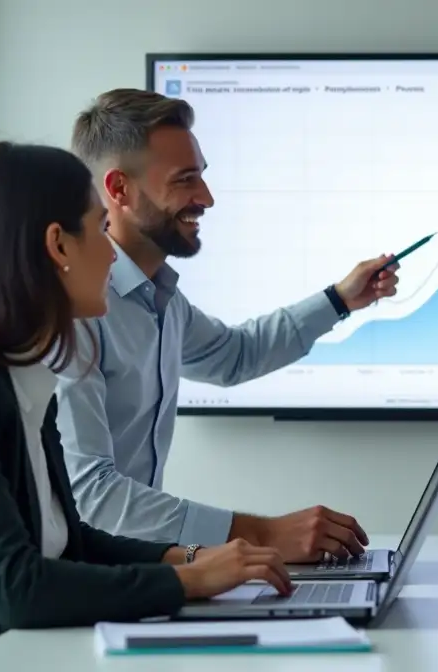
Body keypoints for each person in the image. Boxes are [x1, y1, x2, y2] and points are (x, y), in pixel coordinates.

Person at [0, 141, 293, 672]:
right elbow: (15, 586)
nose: (111, 253)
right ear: (59, 246)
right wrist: (185, 580)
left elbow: (68, 543)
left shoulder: (21, 377)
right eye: (100, 229)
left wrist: (190, 557)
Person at [56, 88, 397, 560]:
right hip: (83, 578)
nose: (207, 198)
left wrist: (339, 300)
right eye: (186, 179)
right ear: (119, 190)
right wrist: (262, 534)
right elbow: (91, 494)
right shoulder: (76, 312)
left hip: (140, 568)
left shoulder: (164, 301)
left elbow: (235, 356)